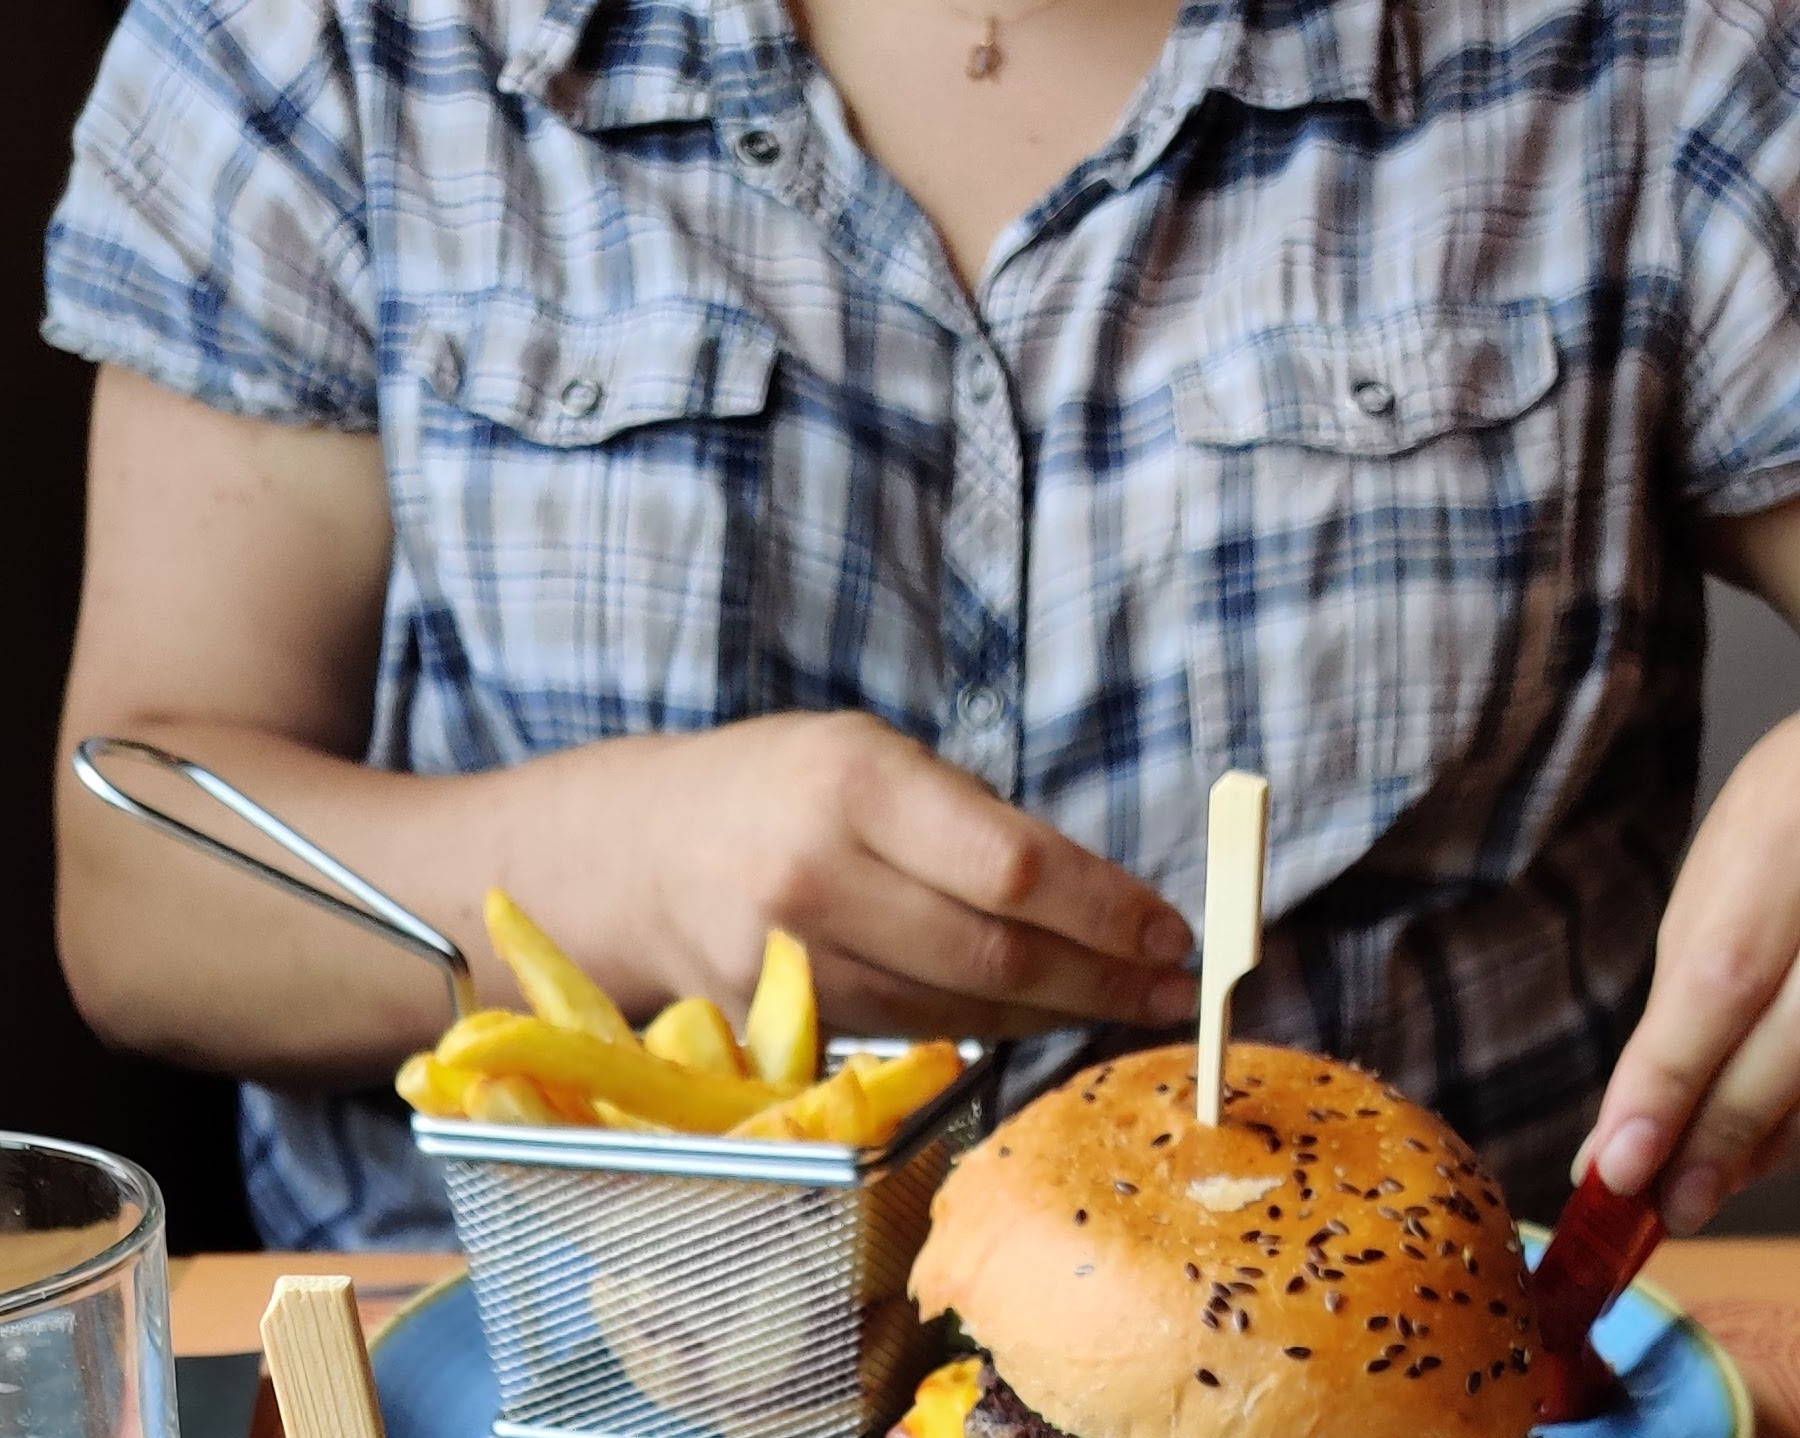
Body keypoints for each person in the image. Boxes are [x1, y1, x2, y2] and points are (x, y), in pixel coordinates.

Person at [43, 0, 1800, 1255]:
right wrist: (628, 877)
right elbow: (139, 896)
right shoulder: (324, 42)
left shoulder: (1668, 51)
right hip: (517, 1411)